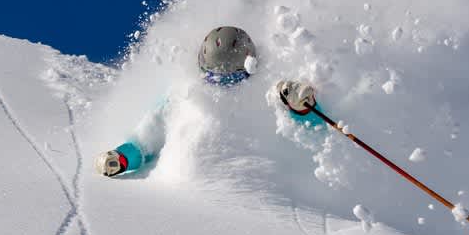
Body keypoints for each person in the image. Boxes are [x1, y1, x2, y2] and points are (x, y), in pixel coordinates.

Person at [94, 26, 324, 177]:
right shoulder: (183, 94)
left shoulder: (272, 87)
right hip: (201, 198)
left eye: (233, 77)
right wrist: (122, 157)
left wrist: (303, 107)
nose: (222, 85)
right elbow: (146, 140)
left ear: (250, 67)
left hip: (271, 193)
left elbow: (318, 137)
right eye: (213, 77)